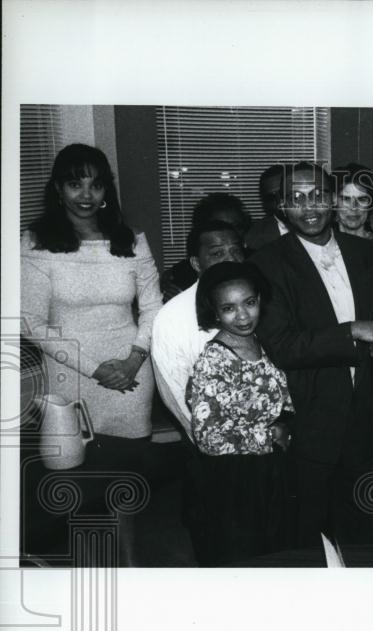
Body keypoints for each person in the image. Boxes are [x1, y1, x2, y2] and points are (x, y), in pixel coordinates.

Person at [253, 161, 373, 558]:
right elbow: (282, 346)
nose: (309, 206)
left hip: (365, 419)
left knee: (368, 536)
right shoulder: (266, 263)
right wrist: (350, 331)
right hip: (311, 422)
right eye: (296, 198)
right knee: (309, 539)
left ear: (332, 199)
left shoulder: (367, 253)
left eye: (317, 194)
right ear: (281, 206)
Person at [21, 143, 162, 439]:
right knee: (77, 471)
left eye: (95, 185)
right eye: (75, 184)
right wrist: (95, 370)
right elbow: (30, 322)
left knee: (133, 469)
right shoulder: (35, 242)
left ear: (106, 191)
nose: (86, 196)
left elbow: (153, 309)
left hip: (132, 373)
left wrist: (134, 360)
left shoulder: (133, 240)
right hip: (70, 375)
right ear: (58, 189)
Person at [186, 261, 293, 565]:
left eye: (249, 303)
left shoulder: (260, 341)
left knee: (275, 555)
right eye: (229, 308)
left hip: (269, 470)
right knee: (243, 559)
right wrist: (269, 435)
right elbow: (207, 437)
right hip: (234, 477)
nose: (243, 315)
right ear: (215, 312)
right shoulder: (214, 359)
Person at [151, 219, 245, 439]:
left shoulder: (258, 301)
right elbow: (176, 396)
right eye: (217, 254)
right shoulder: (173, 317)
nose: (230, 259)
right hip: (216, 441)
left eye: (236, 251)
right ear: (195, 263)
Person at [164, 192, 253, 299]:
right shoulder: (183, 274)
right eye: (219, 226)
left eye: (236, 226)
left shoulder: (260, 262)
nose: (228, 232)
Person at [244, 164, 289, 252]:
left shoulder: (318, 223)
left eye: (283, 193)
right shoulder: (254, 239)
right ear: (265, 203)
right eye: (271, 198)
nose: (280, 202)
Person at [332, 163, 373, 241]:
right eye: (346, 199)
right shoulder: (322, 247)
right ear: (334, 199)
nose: (354, 207)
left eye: (362, 199)